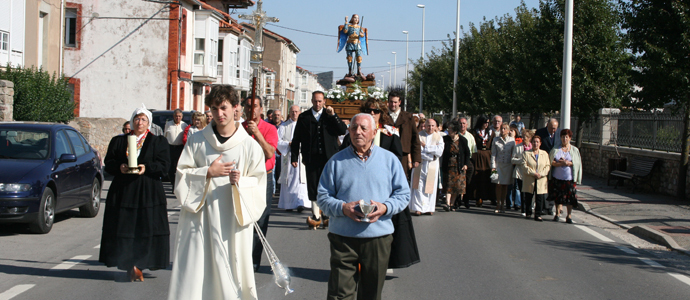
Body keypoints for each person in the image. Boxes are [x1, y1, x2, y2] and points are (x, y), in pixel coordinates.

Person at [169, 85, 267, 300]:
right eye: (214, 109)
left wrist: (241, 182)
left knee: (231, 272)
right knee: (197, 273)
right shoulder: (196, 140)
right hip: (200, 219)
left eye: (224, 108)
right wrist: (207, 172)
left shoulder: (249, 146)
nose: (219, 114)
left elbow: (259, 184)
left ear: (236, 108)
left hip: (233, 221)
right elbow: (180, 175)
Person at [317, 113, 410, 300]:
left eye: (363, 128)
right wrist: (343, 208)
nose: (357, 132)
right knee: (339, 293)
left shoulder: (390, 160)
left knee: (371, 293)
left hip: (378, 238)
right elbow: (323, 197)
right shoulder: (335, 162)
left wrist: (385, 207)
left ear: (374, 132)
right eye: (353, 128)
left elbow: (403, 194)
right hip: (343, 238)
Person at [341, 98, 420, 270]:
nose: (372, 113)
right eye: (369, 110)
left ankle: (385, 262)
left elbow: (397, 160)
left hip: (384, 188)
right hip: (358, 185)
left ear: (381, 113)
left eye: (376, 111)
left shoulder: (389, 133)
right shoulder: (354, 134)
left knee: (384, 227)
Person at [100, 104, 170, 282]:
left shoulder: (157, 142)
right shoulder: (119, 141)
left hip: (148, 191)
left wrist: (147, 168)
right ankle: (128, 264)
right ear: (132, 121)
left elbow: (164, 166)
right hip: (124, 191)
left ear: (149, 123)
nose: (140, 122)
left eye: (144, 119)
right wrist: (120, 167)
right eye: (137, 119)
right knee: (125, 227)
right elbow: (109, 163)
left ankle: (139, 264)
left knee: (145, 227)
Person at [291, 91, 348, 229]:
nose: (318, 104)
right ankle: (316, 215)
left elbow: (342, 130)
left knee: (328, 186)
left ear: (324, 101)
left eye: (320, 101)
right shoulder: (304, 117)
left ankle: (327, 214)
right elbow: (296, 138)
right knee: (313, 186)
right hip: (311, 158)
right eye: (315, 101)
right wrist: (294, 157)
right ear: (311, 101)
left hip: (328, 158)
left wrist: (333, 115)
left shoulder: (329, 116)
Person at [242, 96, 279, 271]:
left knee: (261, 220)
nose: (252, 110)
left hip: (263, 178)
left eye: (255, 106)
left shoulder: (269, 128)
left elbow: (270, 153)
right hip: (243, 178)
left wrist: (257, 133)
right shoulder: (238, 129)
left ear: (262, 109)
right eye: (248, 106)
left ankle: (253, 260)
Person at [277, 105, 311, 212]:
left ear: (299, 112)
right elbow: (278, 141)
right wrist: (289, 144)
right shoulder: (283, 126)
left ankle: (301, 203)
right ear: (289, 112)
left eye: (296, 111)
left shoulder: (304, 125)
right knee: (290, 179)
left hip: (301, 156)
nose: (294, 113)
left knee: (301, 180)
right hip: (288, 155)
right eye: (292, 111)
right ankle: (288, 204)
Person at [410, 118, 444, 215]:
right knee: (418, 186)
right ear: (425, 125)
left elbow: (439, 152)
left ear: (435, 126)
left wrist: (426, 147)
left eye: (433, 126)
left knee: (430, 186)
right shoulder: (419, 135)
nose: (430, 127)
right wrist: (430, 153)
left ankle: (429, 208)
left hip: (432, 165)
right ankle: (418, 208)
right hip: (420, 164)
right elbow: (418, 151)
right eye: (428, 125)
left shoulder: (438, 137)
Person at [550, 129, 582, 224]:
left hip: (569, 178)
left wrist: (568, 163)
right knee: (558, 196)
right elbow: (551, 161)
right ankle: (557, 213)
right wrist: (560, 164)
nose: (564, 139)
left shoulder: (574, 150)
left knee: (570, 197)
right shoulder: (556, 149)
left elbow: (577, 163)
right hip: (558, 177)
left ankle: (569, 215)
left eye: (566, 137)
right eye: (563, 137)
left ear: (570, 138)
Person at [387, 91, 421, 180]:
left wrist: (416, 158)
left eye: (395, 102)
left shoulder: (408, 117)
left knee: (401, 179)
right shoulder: (383, 116)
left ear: (399, 102)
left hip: (403, 154)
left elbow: (415, 138)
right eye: (391, 102)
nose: (393, 104)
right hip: (387, 153)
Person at [441, 120, 471, 211]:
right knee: (449, 185)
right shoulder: (445, 139)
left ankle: (452, 204)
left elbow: (467, 153)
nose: (448, 131)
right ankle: (447, 203)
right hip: (449, 164)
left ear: (455, 131)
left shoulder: (462, 140)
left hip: (459, 165)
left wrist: (466, 164)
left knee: (457, 187)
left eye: (450, 129)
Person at [521, 135, 550, 221]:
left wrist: (541, 174)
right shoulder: (526, 153)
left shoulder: (544, 154)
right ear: (531, 143)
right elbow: (524, 166)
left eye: (537, 142)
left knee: (539, 198)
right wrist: (533, 173)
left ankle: (538, 214)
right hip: (530, 178)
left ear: (540, 143)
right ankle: (528, 213)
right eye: (534, 142)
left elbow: (547, 166)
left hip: (541, 178)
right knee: (529, 196)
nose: (535, 144)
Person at [536, 118, 561, 214]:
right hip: (543, 161)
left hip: (555, 162)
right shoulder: (540, 132)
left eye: (555, 128)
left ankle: (550, 208)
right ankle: (543, 206)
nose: (553, 130)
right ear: (547, 126)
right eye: (551, 128)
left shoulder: (559, 133)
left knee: (552, 185)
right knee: (543, 185)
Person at [491, 123, 515, 213]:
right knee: (498, 184)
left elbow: (514, 153)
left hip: (508, 165)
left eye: (505, 129)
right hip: (499, 164)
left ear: (508, 130)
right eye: (501, 128)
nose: (502, 130)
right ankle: (498, 203)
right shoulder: (496, 140)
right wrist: (493, 166)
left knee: (505, 185)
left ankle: (503, 203)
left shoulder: (512, 141)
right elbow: (493, 154)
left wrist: (513, 163)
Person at [470, 116, 494, 207]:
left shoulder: (491, 133)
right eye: (485, 122)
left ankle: (488, 197)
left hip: (488, 156)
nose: (486, 125)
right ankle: (477, 197)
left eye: (488, 123)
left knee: (487, 176)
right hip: (478, 155)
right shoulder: (474, 132)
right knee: (477, 177)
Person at [164, 109, 188, 188]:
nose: (177, 118)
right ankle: (173, 184)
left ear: (182, 117)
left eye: (179, 116)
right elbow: (165, 135)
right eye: (176, 116)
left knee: (178, 167)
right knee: (170, 168)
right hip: (170, 147)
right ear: (173, 116)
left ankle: (178, 185)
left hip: (180, 148)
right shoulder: (168, 124)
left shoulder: (184, 125)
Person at [506, 126, 522, 211]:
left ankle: (517, 203)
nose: (510, 132)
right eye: (509, 130)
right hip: (509, 164)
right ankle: (508, 203)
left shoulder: (519, 141)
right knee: (509, 184)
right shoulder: (507, 140)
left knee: (516, 186)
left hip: (517, 165)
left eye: (512, 130)